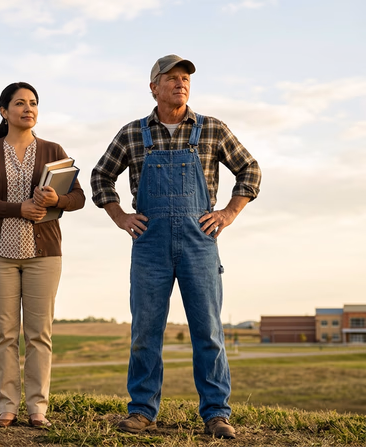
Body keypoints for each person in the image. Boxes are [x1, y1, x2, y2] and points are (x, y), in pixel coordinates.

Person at [90, 55, 261, 439]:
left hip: (200, 243)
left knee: (209, 331)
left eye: (185, 78)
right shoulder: (133, 133)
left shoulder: (212, 129)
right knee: (145, 332)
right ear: (154, 87)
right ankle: (142, 411)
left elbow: (250, 169)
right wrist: (120, 217)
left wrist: (228, 213)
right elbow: (101, 176)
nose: (180, 84)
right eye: (171, 78)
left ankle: (216, 413)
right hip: (149, 245)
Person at [0, 82, 85, 428]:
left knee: (39, 333)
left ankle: (37, 409)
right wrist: (19, 207)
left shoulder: (54, 150)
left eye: (33, 103)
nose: (27, 109)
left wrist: (55, 201)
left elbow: (76, 198)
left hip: (44, 254)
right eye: (19, 103)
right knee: (4, 333)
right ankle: (7, 407)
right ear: (4, 111)